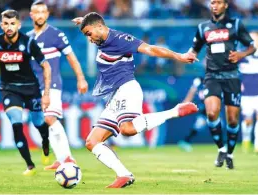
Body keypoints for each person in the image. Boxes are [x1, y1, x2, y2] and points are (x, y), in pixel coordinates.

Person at [72, 12, 199, 188]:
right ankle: (124, 175)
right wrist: (84, 22)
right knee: (92, 142)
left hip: (127, 89)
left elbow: (151, 49)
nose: (89, 39)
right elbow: (93, 24)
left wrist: (178, 56)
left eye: (89, 34)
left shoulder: (120, 39)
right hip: (114, 96)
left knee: (127, 129)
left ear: (100, 27)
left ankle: (174, 111)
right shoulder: (101, 36)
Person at [187, 0, 256, 169]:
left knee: (233, 120)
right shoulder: (203, 27)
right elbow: (195, 49)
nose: (214, 5)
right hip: (212, 76)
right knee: (211, 113)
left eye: (218, 2)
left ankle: (230, 154)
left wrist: (241, 54)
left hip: (232, 76)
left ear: (225, 5)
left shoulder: (236, 25)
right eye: (212, 3)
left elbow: (252, 47)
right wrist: (189, 55)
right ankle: (221, 149)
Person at [0, 10, 52, 176]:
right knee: (16, 123)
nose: (9, 27)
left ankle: (45, 140)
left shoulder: (28, 43)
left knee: (38, 123)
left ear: (18, 25)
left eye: (12, 23)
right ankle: (30, 165)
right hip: (9, 89)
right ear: (1, 25)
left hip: (31, 88)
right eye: (6, 24)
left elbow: (46, 66)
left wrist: (46, 94)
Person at [27, 0, 89, 170]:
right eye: (36, 12)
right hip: (35, 87)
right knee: (44, 122)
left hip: (52, 83)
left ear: (47, 14)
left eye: (43, 12)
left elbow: (71, 57)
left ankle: (68, 158)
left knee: (49, 118)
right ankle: (60, 158)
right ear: (31, 15)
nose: (40, 15)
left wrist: (81, 78)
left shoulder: (56, 34)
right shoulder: (28, 38)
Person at [239, 31, 258, 153]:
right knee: (248, 120)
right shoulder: (242, 55)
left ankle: (257, 144)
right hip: (246, 94)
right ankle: (246, 139)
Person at [178, 77, 207, 152]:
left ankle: (186, 141)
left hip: (211, 107)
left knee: (199, 126)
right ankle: (185, 141)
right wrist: (186, 102)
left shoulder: (215, 79)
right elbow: (192, 91)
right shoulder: (199, 80)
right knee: (199, 125)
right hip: (205, 108)